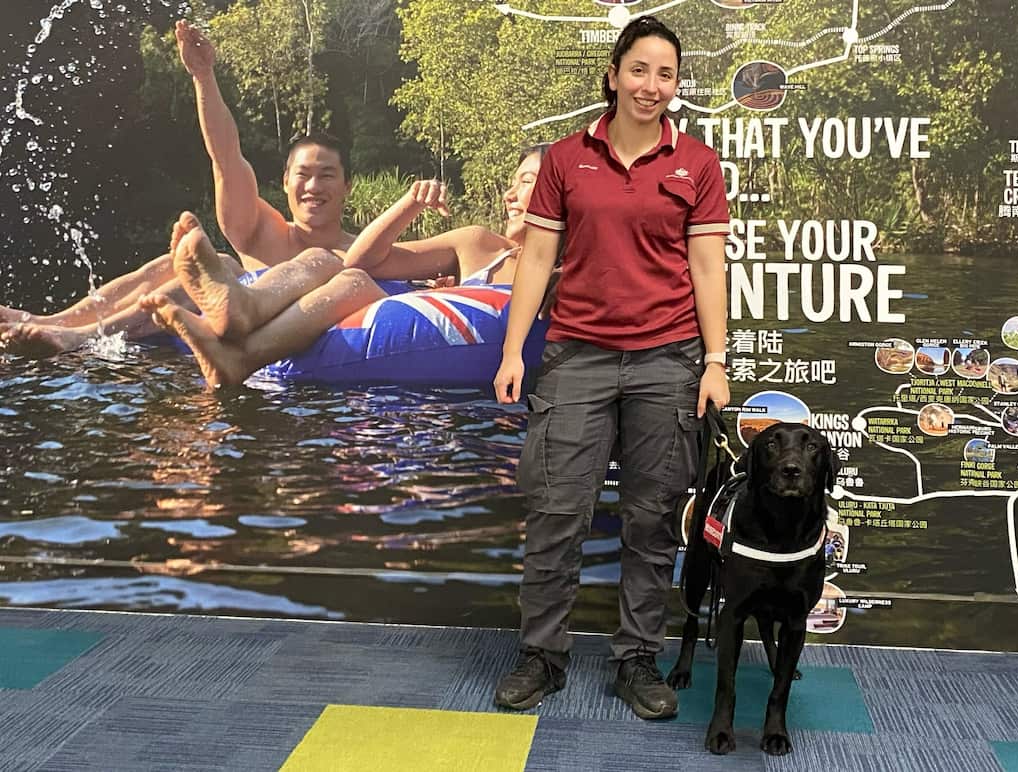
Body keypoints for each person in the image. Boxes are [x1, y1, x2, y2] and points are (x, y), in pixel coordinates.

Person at [490, 16, 730, 719]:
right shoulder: (567, 160)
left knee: (652, 522)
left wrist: (714, 361)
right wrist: (513, 350)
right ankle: (542, 656)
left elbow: (709, 266)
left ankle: (636, 660)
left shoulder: (698, 165)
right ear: (613, 75)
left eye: (665, 75)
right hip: (576, 359)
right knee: (556, 513)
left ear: (676, 86)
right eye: (639, 70)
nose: (651, 86)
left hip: (668, 362)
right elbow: (536, 258)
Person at [0, 20, 450, 358]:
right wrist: (203, 77)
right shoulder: (260, 231)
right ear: (285, 184)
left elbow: (414, 290)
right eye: (303, 175)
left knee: (225, 267)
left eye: (327, 175)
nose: (314, 186)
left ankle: (77, 337)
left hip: (285, 375)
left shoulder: (363, 255)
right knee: (177, 263)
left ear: (348, 186)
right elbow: (226, 158)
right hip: (202, 340)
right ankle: (51, 321)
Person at [140, 146, 548, 388]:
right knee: (330, 262)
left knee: (352, 281)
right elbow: (362, 260)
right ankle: (242, 308)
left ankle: (240, 355)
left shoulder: (569, 276)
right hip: (394, 307)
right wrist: (408, 204)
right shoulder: (479, 245)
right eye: (512, 182)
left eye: (527, 181)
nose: (510, 194)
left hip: (431, 344)